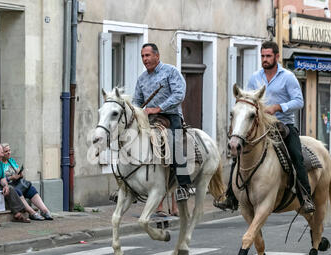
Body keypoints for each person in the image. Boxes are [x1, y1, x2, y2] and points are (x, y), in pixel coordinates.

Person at [214, 41, 316, 214]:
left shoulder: (288, 77)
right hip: (259, 126)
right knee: (238, 153)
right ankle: (231, 197)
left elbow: (299, 101)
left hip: (283, 124)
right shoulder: (255, 77)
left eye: (268, 56)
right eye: (262, 56)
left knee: (296, 156)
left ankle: (305, 197)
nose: (265, 59)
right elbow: (250, 101)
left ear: (276, 57)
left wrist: (278, 107)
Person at [132, 43, 191, 201]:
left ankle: (184, 186)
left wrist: (158, 108)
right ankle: (129, 184)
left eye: (148, 55)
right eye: (143, 56)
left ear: (157, 56)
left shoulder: (170, 71)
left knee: (174, 144)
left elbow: (179, 95)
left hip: (171, 116)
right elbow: (136, 101)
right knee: (129, 140)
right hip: (148, 118)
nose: (145, 59)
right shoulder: (142, 79)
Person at [1, 143, 53, 220]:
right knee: (17, 191)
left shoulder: (11, 161)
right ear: (1, 153)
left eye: (9, 150)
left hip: (16, 183)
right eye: (6, 151)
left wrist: (20, 174)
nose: (9, 153)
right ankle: (32, 213)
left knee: (31, 189)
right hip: (8, 186)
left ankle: (45, 211)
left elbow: (17, 171)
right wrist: (11, 178)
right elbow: (0, 178)